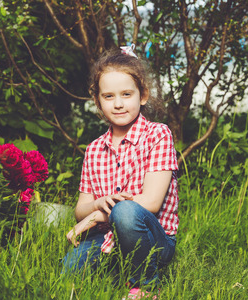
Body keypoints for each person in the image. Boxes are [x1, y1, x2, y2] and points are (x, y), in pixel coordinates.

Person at [62, 44, 179, 298]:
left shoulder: (158, 135)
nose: (118, 104)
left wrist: (95, 217)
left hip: (153, 238)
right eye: (108, 96)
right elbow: (80, 209)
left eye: (126, 94)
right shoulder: (94, 149)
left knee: (126, 211)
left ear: (143, 95)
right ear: (97, 101)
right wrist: (97, 204)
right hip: (105, 238)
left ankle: (145, 286)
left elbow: (151, 202)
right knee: (67, 273)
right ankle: (117, 267)